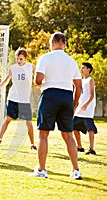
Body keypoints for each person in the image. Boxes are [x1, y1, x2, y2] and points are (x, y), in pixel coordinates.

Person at [30, 32, 82, 179]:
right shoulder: (72, 61)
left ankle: (41, 170)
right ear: (64, 44)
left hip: (50, 96)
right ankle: (76, 171)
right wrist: (74, 104)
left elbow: (38, 81)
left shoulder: (45, 58)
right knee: (68, 135)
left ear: (52, 43)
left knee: (43, 134)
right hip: (66, 97)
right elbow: (78, 87)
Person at [0, 48, 37, 150]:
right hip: (13, 98)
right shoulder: (12, 68)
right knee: (8, 119)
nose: (19, 61)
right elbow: (7, 79)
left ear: (26, 58)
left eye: (21, 59)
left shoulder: (31, 67)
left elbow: (39, 76)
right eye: (17, 59)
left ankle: (32, 144)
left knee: (29, 122)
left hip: (25, 100)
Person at [73, 62, 98, 155]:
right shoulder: (81, 81)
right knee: (73, 127)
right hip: (80, 108)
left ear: (89, 69)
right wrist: (75, 106)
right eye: (81, 68)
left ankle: (92, 149)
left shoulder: (90, 80)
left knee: (90, 129)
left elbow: (92, 95)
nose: (82, 69)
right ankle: (79, 147)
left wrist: (87, 104)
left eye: (83, 68)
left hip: (88, 109)